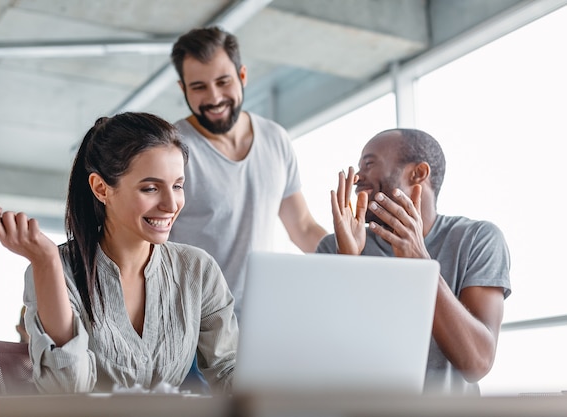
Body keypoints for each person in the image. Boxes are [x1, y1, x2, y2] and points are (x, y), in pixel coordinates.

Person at [0, 112, 238, 394]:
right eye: (151, 188)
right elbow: (68, 390)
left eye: (177, 186)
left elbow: (227, 371)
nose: (171, 204)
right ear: (101, 189)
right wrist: (46, 261)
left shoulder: (198, 270)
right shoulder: (56, 270)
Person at [317, 128, 511, 395]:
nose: (358, 177)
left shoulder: (477, 239)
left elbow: (476, 362)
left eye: (369, 163)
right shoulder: (334, 247)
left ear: (418, 173)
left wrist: (421, 264)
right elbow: (326, 363)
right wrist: (349, 265)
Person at [168, 26, 328, 318]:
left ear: (242, 76)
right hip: (196, 327)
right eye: (199, 87)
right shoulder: (172, 149)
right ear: (183, 89)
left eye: (223, 81)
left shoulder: (275, 138)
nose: (214, 98)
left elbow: (303, 228)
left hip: (264, 317)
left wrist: (353, 261)